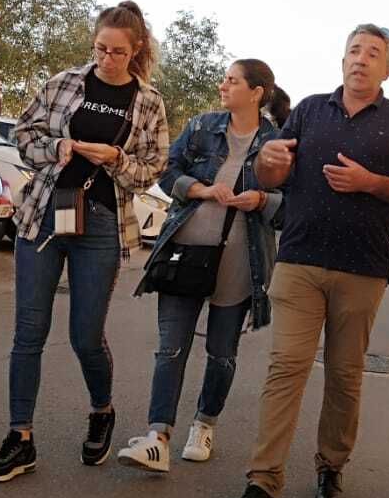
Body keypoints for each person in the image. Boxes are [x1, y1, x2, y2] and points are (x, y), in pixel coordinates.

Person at [218, 24, 389, 498]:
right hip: (299, 260)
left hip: (362, 268)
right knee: (285, 367)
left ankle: (330, 467)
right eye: (354, 50)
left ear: (387, 68)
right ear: (342, 60)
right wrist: (269, 162)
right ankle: (262, 482)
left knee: (344, 374)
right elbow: (275, 174)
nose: (360, 59)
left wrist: (370, 182)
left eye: (372, 53)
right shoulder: (310, 109)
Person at [0, 2, 169, 483]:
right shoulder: (65, 83)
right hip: (47, 211)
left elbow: (153, 168)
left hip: (101, 221)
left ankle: (101, 410)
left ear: (137, 50)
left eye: (118, 52)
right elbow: (24, 134)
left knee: (86, 335)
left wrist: (117, 159)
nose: (107, 58)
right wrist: (56, 148)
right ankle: (20, 437)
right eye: (100, 48)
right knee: (29, 331)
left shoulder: (148, 102)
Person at [116, 60, 291, 472]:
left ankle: (204, 423)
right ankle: (158, 437)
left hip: (239, 265)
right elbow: (166, 171)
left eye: (232, 80)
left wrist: (263, 201)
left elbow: (293, 206)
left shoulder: (277, 142)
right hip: (185, 255)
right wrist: (199, 189)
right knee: (170, 348)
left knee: (221, 353)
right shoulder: (202, 126)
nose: (223, 85)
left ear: (257, 92)